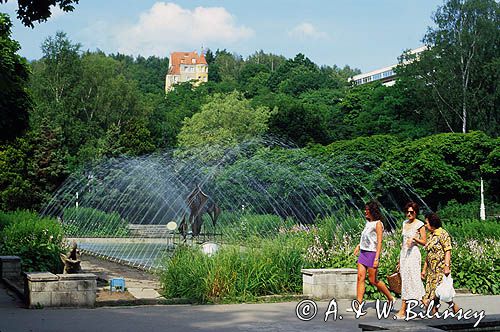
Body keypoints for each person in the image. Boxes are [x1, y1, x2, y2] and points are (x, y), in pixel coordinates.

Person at [352, 201, 394, 309]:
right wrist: (358, 246)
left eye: (367, 210)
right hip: (363, 253)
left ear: (372, 211)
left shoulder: (378, 224)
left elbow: (379, 241)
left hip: (372, 253)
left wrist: (376, 258)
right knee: (360, 277)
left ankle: (390, 298)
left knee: (373, 280)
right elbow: (366, 238)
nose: (365, 211)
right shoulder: (368, 223)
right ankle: (358, 305)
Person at [421, 212, 459, 313]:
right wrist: (424, 269)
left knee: (438, 291)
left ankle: (450, 306)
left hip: (440, 268)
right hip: (431, 269)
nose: (425, 225)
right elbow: (428, 254)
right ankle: (435, 311)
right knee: (433, 292)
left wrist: (447, 266)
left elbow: (448, 250)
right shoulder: (431, 235)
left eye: (426, 223)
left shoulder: (443, 234)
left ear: (432, 223)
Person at [396, 201, 426, 319]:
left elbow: (424, 242)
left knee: (414, 279)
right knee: (405, 279)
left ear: (416, 212)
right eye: (407, 212)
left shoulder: (420, 224)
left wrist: (415, 240)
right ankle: (426, 304)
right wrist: (399, 260)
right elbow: (402, 242)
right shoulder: (404, 223)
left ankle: (403, 309)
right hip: (404, 254)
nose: (409, 214)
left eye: (411, 212)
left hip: (413, 254)